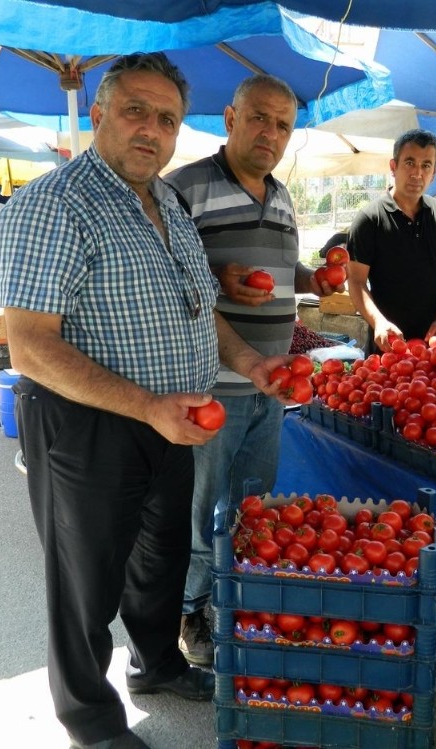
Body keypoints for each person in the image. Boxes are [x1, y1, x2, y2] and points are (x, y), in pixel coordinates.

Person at [0, 53, 292, 749]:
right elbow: (31, 346)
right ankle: (91, 721)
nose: (151, 129)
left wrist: (249, 360)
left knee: (159, 557)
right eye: (135, 110)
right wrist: (145, 405)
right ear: (98, 115)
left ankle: (156, 663)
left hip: (176, 416)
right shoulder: (51, 203)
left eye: (166, 118)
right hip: (87, 423)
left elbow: (198, 310)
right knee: (86, 581)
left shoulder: (165, 204)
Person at [165, 74, 343, 667]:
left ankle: (231, 599)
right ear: (230, 117)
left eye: (284, 125)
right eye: (260, 118)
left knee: (252, 504)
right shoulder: (183, 188)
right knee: (203, 505)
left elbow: (283, 269)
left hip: (274, 385)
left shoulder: (284, 197)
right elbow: (160, 275)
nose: (271, 133)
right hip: (212, 386)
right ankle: (191, 611)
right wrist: (221, 279)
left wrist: (310, 280)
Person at [347, 129, 436, 352]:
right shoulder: (369, 219)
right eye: (409, 163)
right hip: (388, 348)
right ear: (393, 167)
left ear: (434, 172)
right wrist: (378, 322)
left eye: (426, 165)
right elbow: (355, 281)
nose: (417, 173)